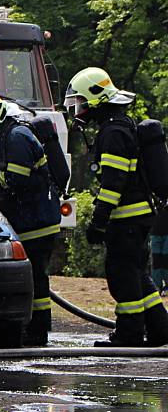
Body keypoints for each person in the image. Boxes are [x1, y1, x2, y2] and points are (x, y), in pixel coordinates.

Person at [65, 67, 168, 346]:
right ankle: (160, 328)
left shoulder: (112, 133)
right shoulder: (120, 125)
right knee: (137, 274)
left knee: (122, 275)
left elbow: (113, 183)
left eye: (81, 102)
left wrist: (99, 221)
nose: (79, 109)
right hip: (138, 218)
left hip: (127, 220)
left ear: (95, 99)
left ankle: (129, 333)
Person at [0, 87, 61, 347]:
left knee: (36, 281)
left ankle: (36, 332)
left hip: (37, 223)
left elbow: (16, 180)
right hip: (25, 221)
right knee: (23, 279)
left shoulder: (17, 137)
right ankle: (14, 328)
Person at [151, 206, 168, 295]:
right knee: (156, 262)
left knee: (166, 261)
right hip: (155, 233)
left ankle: (166, 286)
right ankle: (157, 286)